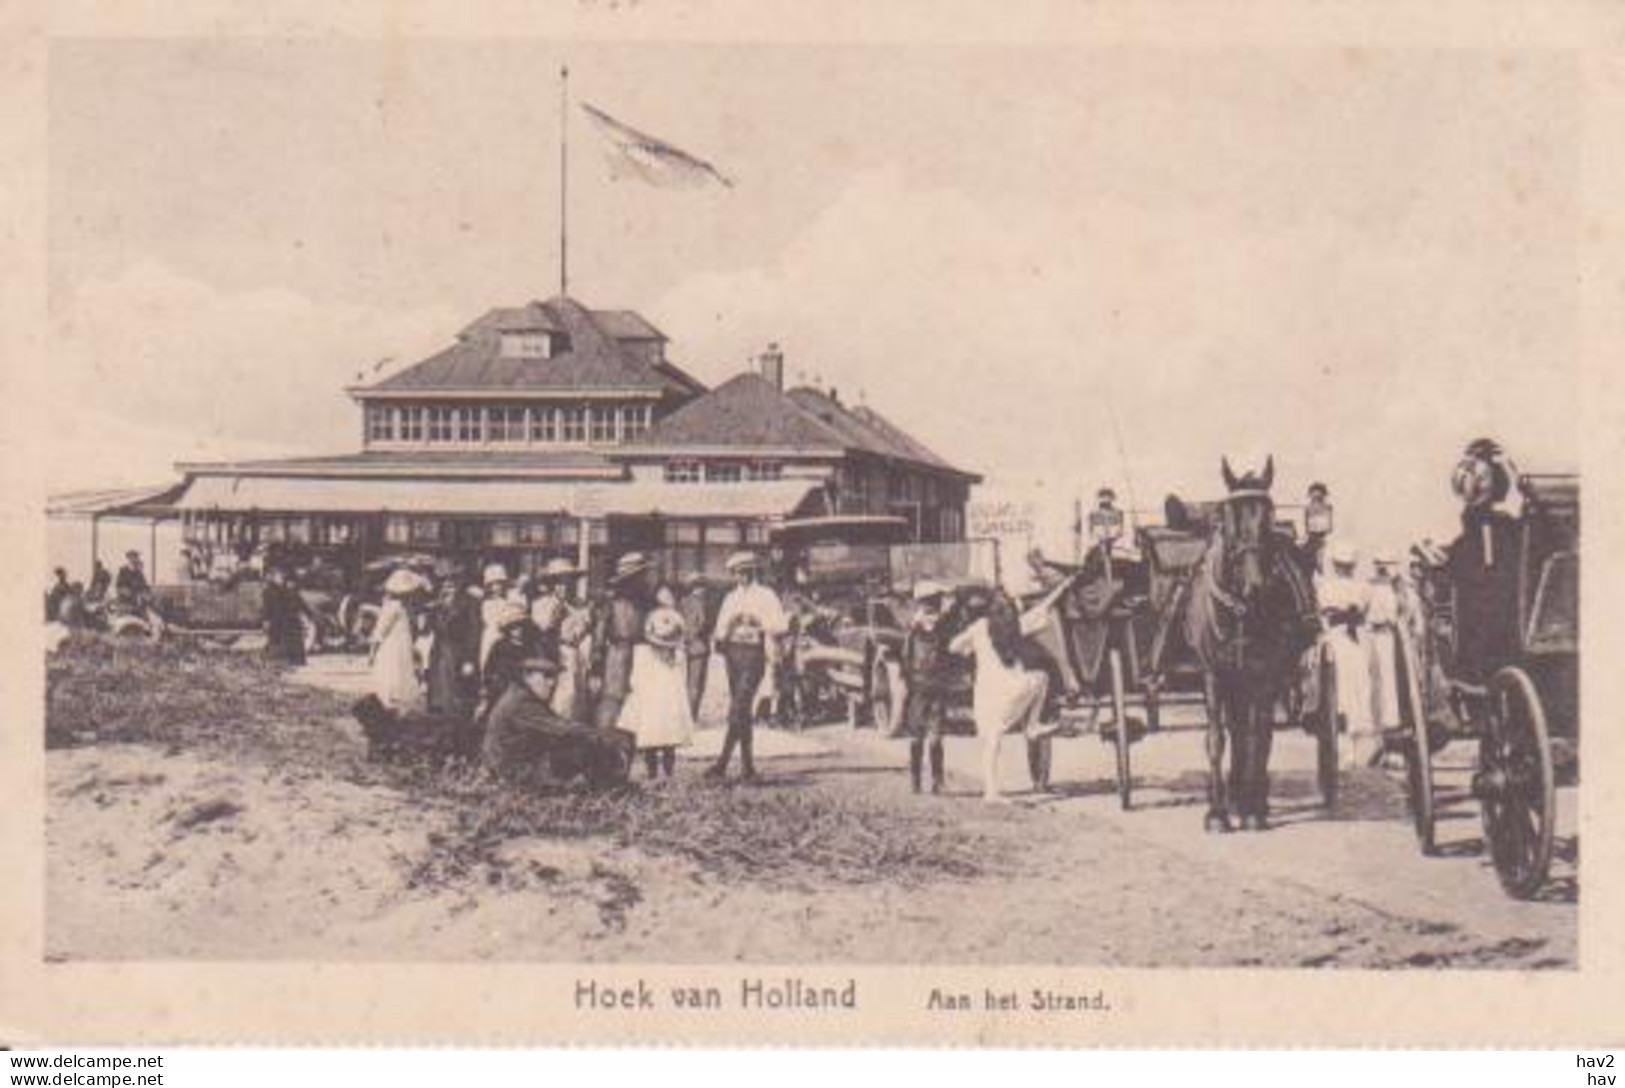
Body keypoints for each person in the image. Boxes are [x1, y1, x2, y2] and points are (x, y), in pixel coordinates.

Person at [949, 586, 1054, 803]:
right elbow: (1043, 616)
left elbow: (953, 647)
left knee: (991, 743)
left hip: (987, 695)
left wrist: (969, 650)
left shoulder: (979, 627)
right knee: (1042, 677)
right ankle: (1032, 724)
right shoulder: (1016, 626)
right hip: (1013, 690)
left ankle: (991, 791)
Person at [480, 643, 633, 791]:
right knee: (583, 748)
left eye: (553, 676)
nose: (552, 683)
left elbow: (558, 727)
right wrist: (604, 737)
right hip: (513, 772)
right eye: (546, 676)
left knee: (581, 743)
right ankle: (606, 787)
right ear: (527, 676)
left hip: (512, 765)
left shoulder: (522, 695)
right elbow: (561, 728)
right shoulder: (521, 703)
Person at [706, 551, 788, 782]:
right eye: (738, 573)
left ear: (754, 572)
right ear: (733, 575)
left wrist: (761, 625)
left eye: (747, 572)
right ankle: (746, 767)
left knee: (740, 705)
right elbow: (720, 629)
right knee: (740, 709)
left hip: (755, 654)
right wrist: (729, 629)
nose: (743, 577)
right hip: (734, 655)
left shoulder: (766, 595)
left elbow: (780, 625)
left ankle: (724, 762)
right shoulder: (730, 598)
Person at [618, 607, 695, 780]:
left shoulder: (663, 655)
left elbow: (635, 679)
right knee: (658, 739)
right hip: (657, 701)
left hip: (660, 701)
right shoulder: (647, 654)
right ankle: (659, 773)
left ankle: (661, 773)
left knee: (660, 739)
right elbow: (682, 678)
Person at [1316, 542, 1375, 768]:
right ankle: (1353, 749)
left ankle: (1346, 749)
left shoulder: (1325, 588)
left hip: (1335, 640)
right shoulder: (1362, 589)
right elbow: (1364, 612)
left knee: (1340, 691)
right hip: (1355, 641)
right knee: (1358, 689)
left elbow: (1322, 614)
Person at [592, 552, 661, 731]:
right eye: (640, 576)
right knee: (613, 697)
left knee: (638, 698)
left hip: (642, 655)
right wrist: (597, 664)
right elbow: (599, 634)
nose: (644, 581)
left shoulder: (647, 603)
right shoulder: (611, 603)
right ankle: (605, 738)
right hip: (618, 654)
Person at [901, 580, 954, 794]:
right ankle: (924, 780)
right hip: (924, 688)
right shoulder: (919, 628)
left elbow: (907, 657)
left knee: (930, 738)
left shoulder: (933, 626)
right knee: (924, 738)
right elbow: (907, 658)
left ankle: (930, 780)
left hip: (928, 688)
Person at [426, 570, 483, 720]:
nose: (448, 584)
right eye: (444, 581)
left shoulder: (470, 602)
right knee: (439, 698)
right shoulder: (439, 602)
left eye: (452, 581)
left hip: (458, 653)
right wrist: (434, 609)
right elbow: (430, 628)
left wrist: (469, 659)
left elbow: (474, 631)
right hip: (440, 654)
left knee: (459, 697)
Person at [371, 568, 425, 714]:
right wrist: (373, 650)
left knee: (401, 673)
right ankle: (390, 704)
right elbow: (380, 631)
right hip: (392, 645)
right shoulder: (392, 607)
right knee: (392, 673)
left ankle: (397, 705)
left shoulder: (405, 607)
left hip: (402, 644)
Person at [676, 574, 716, 721]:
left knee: (687, 683)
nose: (704, 590)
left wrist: (684, 638)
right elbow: (703, 623)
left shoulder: (682, 602)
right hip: (699, 646)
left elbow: (678, 623)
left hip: (684, 646)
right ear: (698, 587)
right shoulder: (701, 603)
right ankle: (691, 716)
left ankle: (686, 714)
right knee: (697, 684)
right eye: (702, 586)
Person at [262, 566, 310, 665]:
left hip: (287, 619)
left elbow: (298, 603)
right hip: (277, 619)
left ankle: (295, 660)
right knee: (276, 640)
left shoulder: (284, 590)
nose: (281, 579)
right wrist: (266, 620)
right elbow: (267, 607)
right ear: (273, 577)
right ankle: (278, 661)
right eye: (278, 577)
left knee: (291, 640)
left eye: (281, 577)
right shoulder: (269, 591)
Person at [478, 562, 512, 675]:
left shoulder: (508, 602)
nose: (496, 588)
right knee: (486, 662)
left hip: (503, 637)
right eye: (492, 584)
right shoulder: (484, 604)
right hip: (489, 638)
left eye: (499, 584)